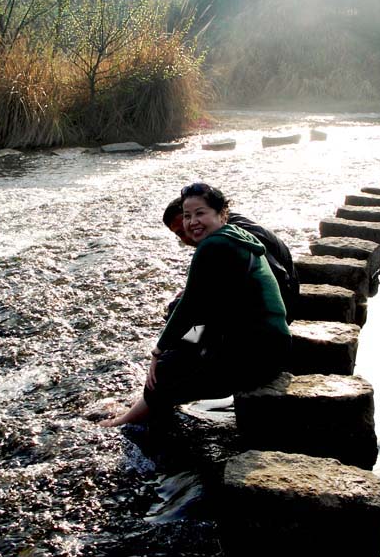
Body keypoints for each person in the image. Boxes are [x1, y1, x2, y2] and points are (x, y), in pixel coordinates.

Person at [99, 183, 292, 427]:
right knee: (181, 352)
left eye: (200, 213)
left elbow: (190, 307)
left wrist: (158, 352)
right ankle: (145, 409)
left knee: (167, 369)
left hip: (257, 356)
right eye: (188, 216)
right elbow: (208, 311)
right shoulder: (237, 237)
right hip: (272, 347)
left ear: (221, 213)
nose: (192, 223)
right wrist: (178, 347)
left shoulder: (213, 246)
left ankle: (130, 423)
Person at [162, 196, 299, 322]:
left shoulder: (231, 242)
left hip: (272, 316)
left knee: (184, 315)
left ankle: (190, 345)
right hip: (279, 302)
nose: (189, 232)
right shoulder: (226, 226)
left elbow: (275, 280)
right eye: (180, 233)